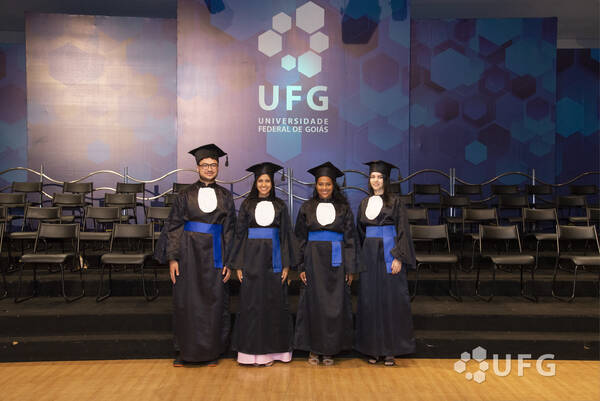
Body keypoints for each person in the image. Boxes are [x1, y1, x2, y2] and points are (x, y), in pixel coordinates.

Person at [156, 144, 236, 367]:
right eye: (205, 165)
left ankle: (211, 352)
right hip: (188, 254)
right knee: (187, 302)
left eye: (213, 165)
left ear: (218, 167)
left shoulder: (226, 196)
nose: (209, 168)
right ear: (198, 167)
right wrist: (173, 258)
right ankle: (185, 352)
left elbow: (230, 230)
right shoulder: (185, 195)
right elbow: (174, 226)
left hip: (216, 254)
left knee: (214, 301)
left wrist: (229, 261)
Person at [230, 162, 299, 366]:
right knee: (251, 304)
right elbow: (240, 235)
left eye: (267, 180)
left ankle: (274, 353)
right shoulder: (246, 205)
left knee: (274, 305)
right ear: (255, 183)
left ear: (272, 183)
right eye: (260, 180)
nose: (264, 184)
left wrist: (286, 265)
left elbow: (286, 235)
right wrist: (239, 265)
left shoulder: (280, 206)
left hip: (274, 260)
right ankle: (250, 354)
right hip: (251, 260)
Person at [293, 162, 357, 366]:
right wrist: (301, 266)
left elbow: (350, 239)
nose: (324, 188)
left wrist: (350, 268)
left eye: (328, 184)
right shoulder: (306, 207)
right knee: (313, 304)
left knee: (334, 304)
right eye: (321, 184)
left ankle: (330, 349)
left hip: (336, 261)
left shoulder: (344, 208)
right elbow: (300, 238)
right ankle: (314, 348)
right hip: (313, 260)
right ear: (316, 185)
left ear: (334, 186)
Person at [354, 160, 416, 366]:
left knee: (391, 301)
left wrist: (398, 256)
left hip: (390, 253)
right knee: (370, 300)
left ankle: (390, 350)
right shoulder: (364, 203)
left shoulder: (396, 202)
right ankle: (372, 348)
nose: (376, 180)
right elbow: (359, 232)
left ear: (386, 180)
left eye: (379, 177)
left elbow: (403, 230)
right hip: (369, 255)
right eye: (373, 177)